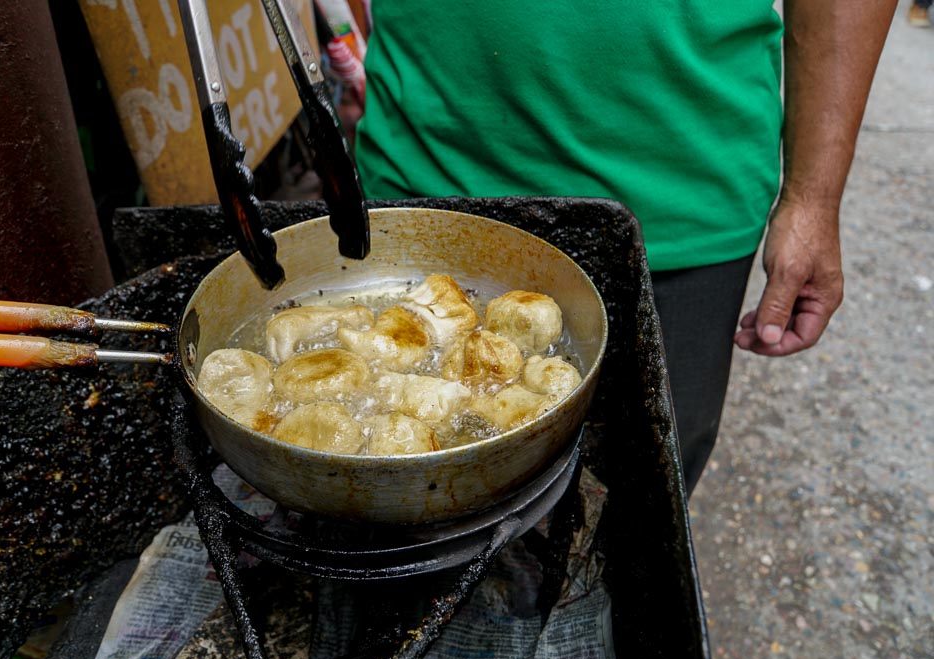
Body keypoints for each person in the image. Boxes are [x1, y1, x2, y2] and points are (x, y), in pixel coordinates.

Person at [353, 1, 897, 494]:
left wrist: (814, 199)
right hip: (427, 165)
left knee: (642, 501)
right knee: (386, 487)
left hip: (678, 196)